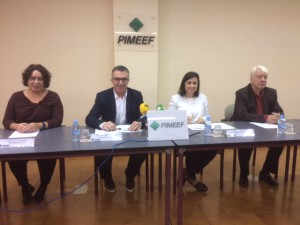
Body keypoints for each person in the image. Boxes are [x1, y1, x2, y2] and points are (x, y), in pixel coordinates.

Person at [2, 64, 64, 204]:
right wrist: (17, 126)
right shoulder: (16, 97)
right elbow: (6, 120)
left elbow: (57, 120)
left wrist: (39, 125)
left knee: (48, 157)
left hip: (46, 137)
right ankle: (24, 186)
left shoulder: (53, 97)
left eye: (40, 79)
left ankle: (43, 186)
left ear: (45, 81)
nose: (36, 82)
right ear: (27, 79)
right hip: (22, 137)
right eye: (32, 78)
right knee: (13, 158)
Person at [85, 65, 147, 193]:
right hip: (110, 135)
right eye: (117, 79)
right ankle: (107, 178)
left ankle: (130, 175)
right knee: (101, 153)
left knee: (142, 151)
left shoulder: (136, 95)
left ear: (128, 80)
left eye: (124, 79)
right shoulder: (102, 96)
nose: (120, 82)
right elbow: (90, 118)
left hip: (131, 134)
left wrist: (140, 122)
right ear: (111, 80)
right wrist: (103, 124)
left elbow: (145, 116)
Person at [231, 65, 284, 188]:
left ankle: (265, 173)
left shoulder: (271, 93)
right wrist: (265, 118)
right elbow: (241, 114)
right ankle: (244, 174)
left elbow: (279, 111)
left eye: (265, 77)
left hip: (265, 130)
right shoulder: (242, 93)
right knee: (246, 143)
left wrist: (277, 116)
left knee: (279, 144)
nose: (263, 80)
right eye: (259, 77)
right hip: (245, 127)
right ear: (251, 79)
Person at [168, 71, 216, 192]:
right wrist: (181, 119)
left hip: (200, 132)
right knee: (193, 150)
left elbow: (208, 116)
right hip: (183, 134)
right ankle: (192, 177)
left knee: (213, 149)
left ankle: (187, 172)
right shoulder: (175, 98)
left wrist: (203, 119)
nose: (192, 85)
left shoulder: (203, 97)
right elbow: (169, 118)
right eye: (189, 82)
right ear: (184, 84)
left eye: (195, 83)